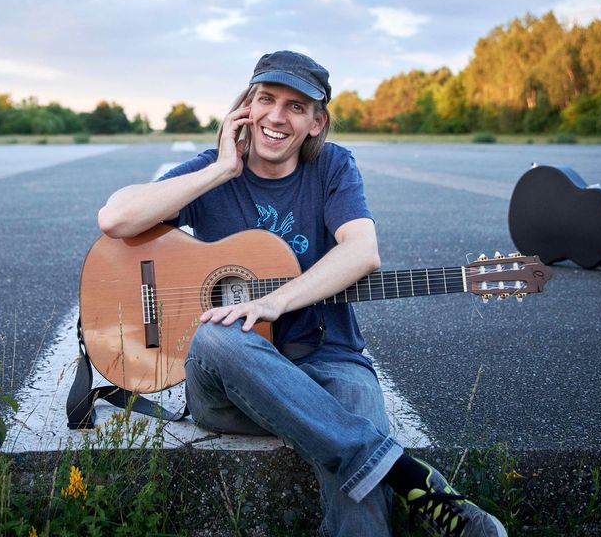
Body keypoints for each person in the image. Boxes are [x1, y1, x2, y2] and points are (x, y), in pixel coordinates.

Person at [97, 50, 506, 537]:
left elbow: (362, 252)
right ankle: (409, 476)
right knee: (217, 335)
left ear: (316, 122)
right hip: (229, 386)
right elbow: (114, 218)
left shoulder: (332, 167)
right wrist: (222, 170)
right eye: (266, 99)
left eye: (295, 106)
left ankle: (371, 462)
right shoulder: (212, 169)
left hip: (329, 361)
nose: (276, 116)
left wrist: (274, 302)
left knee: (355, 423)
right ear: (245, 108)